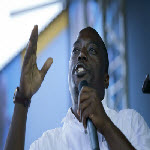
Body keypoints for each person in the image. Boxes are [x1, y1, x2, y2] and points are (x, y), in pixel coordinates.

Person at [4, 25, 150, 150]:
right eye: (75, 50)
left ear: (106, 79)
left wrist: (105, 126)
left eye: (92, 50)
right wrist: (22, 97)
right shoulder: (49, 144)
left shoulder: (130, 123)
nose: (81, 55)